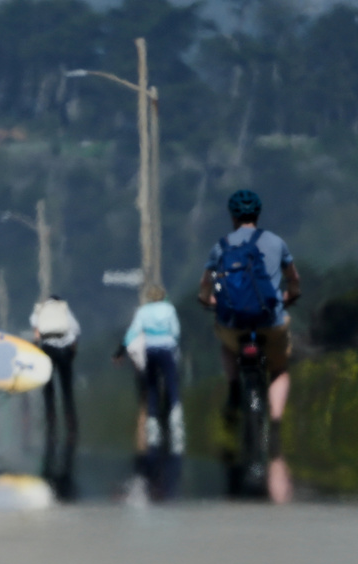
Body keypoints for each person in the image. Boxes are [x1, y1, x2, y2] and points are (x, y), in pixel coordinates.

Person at [198, 189, 301, 455]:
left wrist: (208, 302)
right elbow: (294, 279)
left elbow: (205, 286)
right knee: (279, 368)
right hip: (270, 320)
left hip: (234, 324)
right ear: (257, 213)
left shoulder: (220, 246)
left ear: (232, 216)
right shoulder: (277, 242)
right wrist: (291, 296)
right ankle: (275, 422)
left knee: (226, 344)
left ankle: (234, 387)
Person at [118, 284, 183, 454]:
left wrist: (120, 350)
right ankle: (175, 419)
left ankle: (152, 422)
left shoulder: (142, 311)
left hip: (151, 350)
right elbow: (176, 331)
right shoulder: (169, 309)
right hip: (167, 349)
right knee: (171, 383)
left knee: (152, 385)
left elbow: (133, 331)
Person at [29, 295, 81, 446]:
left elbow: (37, 334)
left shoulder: (40, 311)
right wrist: (72, 351)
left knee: (48, 389)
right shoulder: (65, 311)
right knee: (67, 391)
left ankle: (51, 425)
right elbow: (76, 330)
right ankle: (71, 426)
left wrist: (34, 347)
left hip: (48, 351)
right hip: (65, 351)